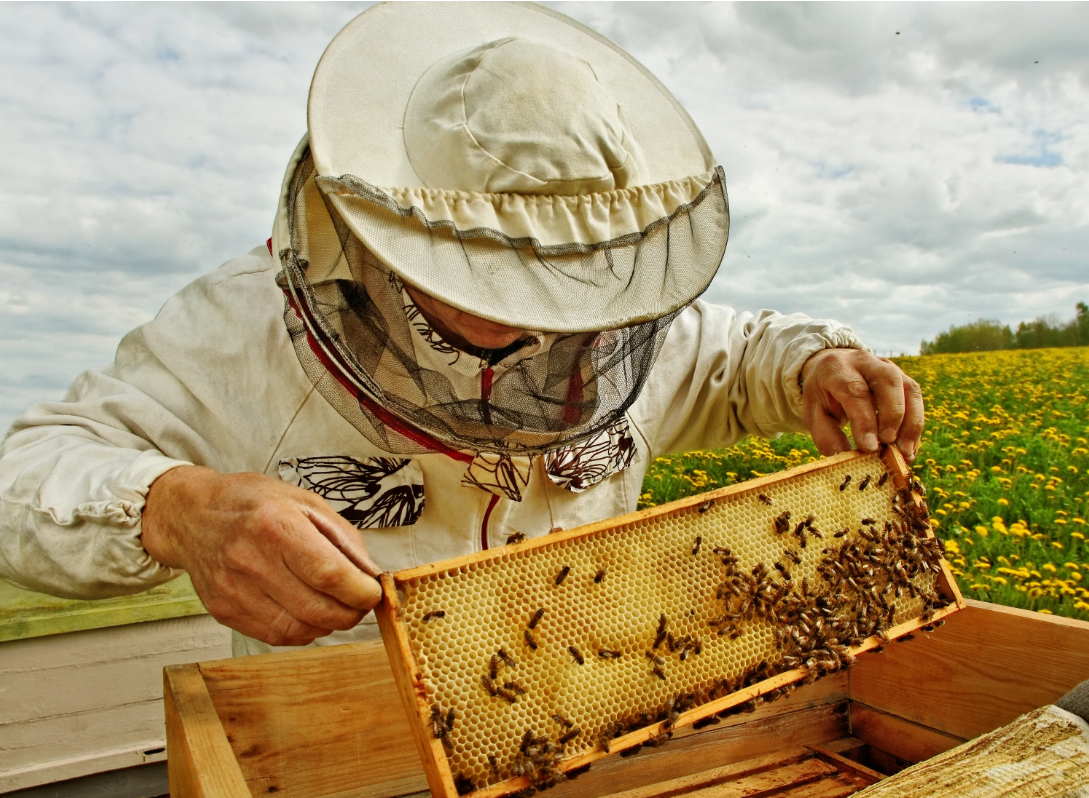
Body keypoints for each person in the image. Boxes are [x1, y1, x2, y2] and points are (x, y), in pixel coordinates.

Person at [0, 3, 922, 656]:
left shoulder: (617, 324)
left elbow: (732, 357)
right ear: (394, 237)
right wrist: (175, 508)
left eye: (562, 278)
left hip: (592, 714)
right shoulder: (236, 327)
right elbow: (25, 476)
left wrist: (815, 363)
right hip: (346, 746)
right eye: (496, 276)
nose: (539, 316)